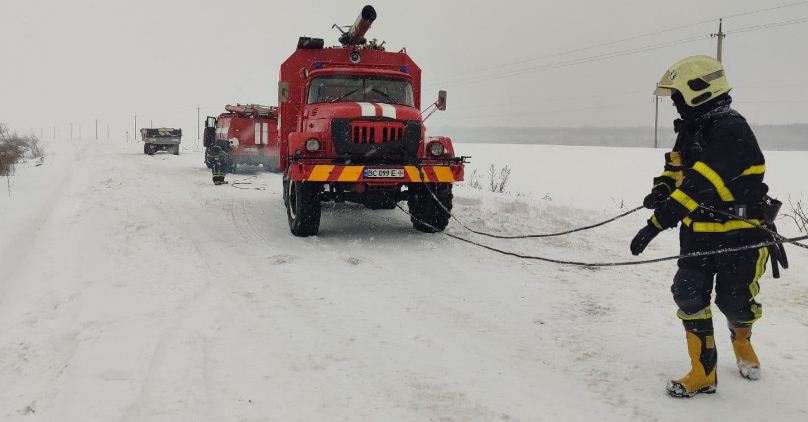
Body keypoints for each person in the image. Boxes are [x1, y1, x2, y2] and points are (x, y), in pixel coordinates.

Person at [630, 55, 771, 398]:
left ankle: (741, 337)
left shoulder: (731, 128)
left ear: (698, 90)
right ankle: (704, 373)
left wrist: (656, 223)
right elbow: (677, 169)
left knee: (734, 301)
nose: (674, 103)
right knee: (688, 293)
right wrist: (662, 188)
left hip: (741, 233)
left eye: (676, 95)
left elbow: (700, 184)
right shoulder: (692, 129)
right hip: (697, 233)